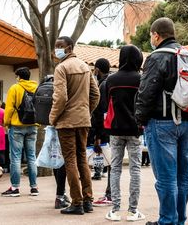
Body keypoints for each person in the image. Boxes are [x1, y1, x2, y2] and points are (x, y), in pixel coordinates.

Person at [135, 17, 188, 225]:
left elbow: (146, 92)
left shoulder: (157, 57)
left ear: (156, 34)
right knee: (183, 175)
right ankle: (179, 220)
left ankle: (167, 221)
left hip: (162, 123)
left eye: (151, 35)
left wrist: (140, 120)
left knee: (166, 178)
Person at [49, 36, 100, 215]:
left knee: (70, 160)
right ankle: (88, 200)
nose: (57, 50)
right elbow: (96, 94)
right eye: (56, 46)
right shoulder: (85, 66)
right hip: (83, 120)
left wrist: (53, 117)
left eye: (60, 46)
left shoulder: (61, 68)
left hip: (66, 122)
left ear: (69, 48)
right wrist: (86, 111)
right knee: (82, 158)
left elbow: (60, 97)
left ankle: (76, 202)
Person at [102, 45, 145, 222]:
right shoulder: (141, 79)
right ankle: (133, 211)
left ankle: (115, 210)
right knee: (135, 169)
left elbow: (104, 106)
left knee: (116, 168)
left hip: (115, 130)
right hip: (135, 130)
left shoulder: (111, 80)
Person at [1, 67, 39, 197]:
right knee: (31, 157)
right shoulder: (36, 88)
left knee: (16, 157)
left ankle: (15, 187)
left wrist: (6, 123)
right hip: (33, 125)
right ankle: (34, 187)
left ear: (19, 77)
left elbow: (9, 108)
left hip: (17, 125)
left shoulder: (15, 88)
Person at [89, 58, 111, 181]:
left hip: (103, 125)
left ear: (97, 69)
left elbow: (100, 111)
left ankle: (98, 171)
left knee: (100, 148)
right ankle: (101, 170)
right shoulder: (111, 81)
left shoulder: (102, 84)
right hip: (113, 124)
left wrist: (97, 136)